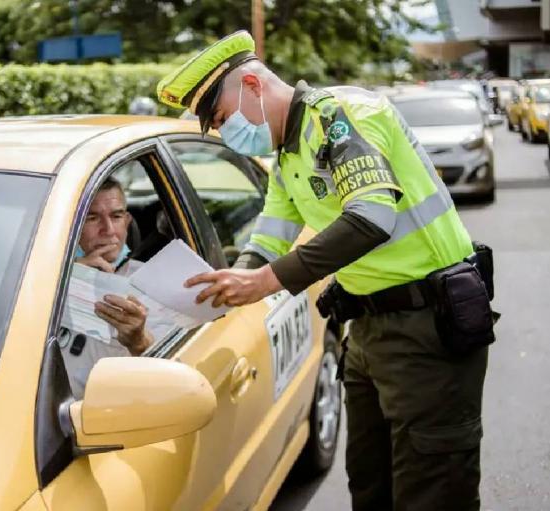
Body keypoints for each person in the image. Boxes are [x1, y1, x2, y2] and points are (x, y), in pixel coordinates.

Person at [156, 31, 495, 511]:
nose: (227, 132)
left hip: (428, 326)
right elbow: (266, 242)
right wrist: (217, 286)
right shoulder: (288, 156)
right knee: (370, 484)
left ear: (252, 84)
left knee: (433, 490)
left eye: (222, 117)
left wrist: (265, 282)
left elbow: (372, 216)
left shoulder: (342, 117)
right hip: (369, 330)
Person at [60, 177, 153, 398]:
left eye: (116, 216)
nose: (108, 230)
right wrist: (65, 279)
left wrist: (139, 341)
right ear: (71, 226)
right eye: (92, 218)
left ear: (127, 222)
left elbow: (172, 375)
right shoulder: (39, 280)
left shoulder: (153, 284)